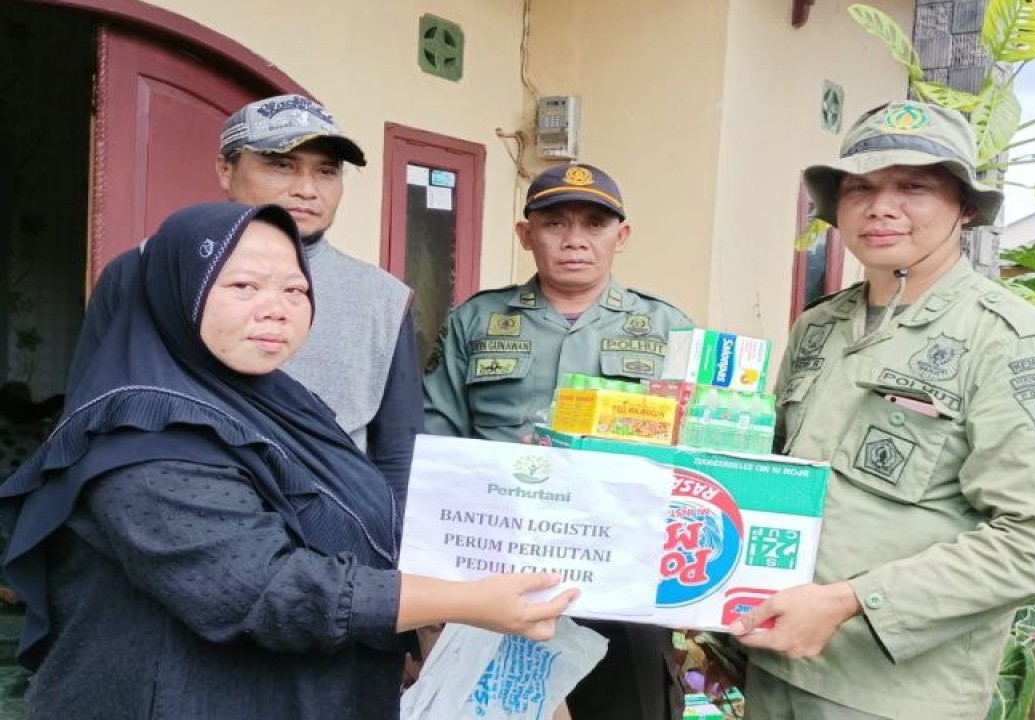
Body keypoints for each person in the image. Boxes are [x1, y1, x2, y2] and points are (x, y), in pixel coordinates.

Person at [0, 202, 575, 719]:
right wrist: (464, 602)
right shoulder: (142, 434)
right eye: (244, 286)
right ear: (177, 293)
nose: (275, 310)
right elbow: (263, 589)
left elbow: (359, 519)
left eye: (294, 290)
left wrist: (428, 615)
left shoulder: (276, 404)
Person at [729, 101, 1035, 719]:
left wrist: (849, 601)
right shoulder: (819, 327)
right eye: (861, 187)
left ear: (965, 207)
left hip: (893, 694)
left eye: (914, 186)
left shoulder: (1009, 341)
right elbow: (777, 479)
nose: (881, 206)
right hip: (774, 661)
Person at [65, 94, 420, 517]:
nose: (306, 189)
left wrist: (391, 554)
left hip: (337, 545)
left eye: (326, 171)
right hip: (177, 528)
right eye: (281, 164)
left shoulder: (382, 297)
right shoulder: (145, 271)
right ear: (225, 169)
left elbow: (400, 451)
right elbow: (87, 417)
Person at [422, 162, 693, 719]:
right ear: (526, 235)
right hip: (499, 567)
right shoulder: (476, 320)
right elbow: (436, 442)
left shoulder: (670, 329)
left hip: (621, 569)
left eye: (594, 224)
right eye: (554, 223)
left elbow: (693, 453)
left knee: (630, 707)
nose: (574, 240)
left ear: (622, 236)